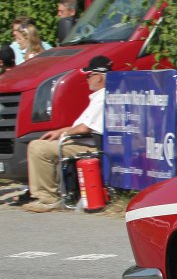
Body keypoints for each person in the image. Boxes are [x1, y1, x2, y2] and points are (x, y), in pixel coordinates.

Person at [23, 54, 111, 213]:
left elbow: (84, 128)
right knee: (41, 144)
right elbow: (83, 126)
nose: (87, 80)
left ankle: (48, 199)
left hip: (89, 145)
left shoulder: (103, 97)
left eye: (89, 76)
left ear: (99, 77)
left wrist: (64, 133)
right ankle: (49, 193)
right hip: (83, 141)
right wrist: (60, 131)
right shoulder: (100, 97)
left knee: (38, 148)